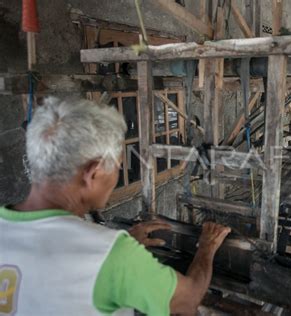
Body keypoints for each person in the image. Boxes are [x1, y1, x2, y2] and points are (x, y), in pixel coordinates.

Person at [0, 97, 231, 315]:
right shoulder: (109, 254)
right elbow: (187, 300)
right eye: (118, 166)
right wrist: (207, 245)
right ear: (94, 172)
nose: (118, 174)